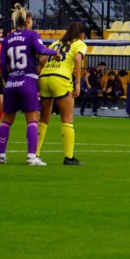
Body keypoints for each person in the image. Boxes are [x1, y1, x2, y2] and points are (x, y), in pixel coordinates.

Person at [0, 4, 58, 166]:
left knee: (6, 120)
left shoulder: (7, 38)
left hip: (11, 82)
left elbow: (2, 63)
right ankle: (32, 156)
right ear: (28, 21)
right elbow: (40, 49)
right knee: (32, 119)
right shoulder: (31, 35)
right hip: (28, 80)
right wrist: (55, 53)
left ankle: (1, 155)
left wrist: (7, 78)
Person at [37, 21, 88, 166]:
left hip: (45, 77)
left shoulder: (55, 43)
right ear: (81, 33)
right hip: (61, 79)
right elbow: (78, 59)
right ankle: (69, 157)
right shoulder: (79, 43)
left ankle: (35, 153)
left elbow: (42, 59)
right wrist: (78, 83)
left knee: (44, 118)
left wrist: (49, 69)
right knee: (67, 118)